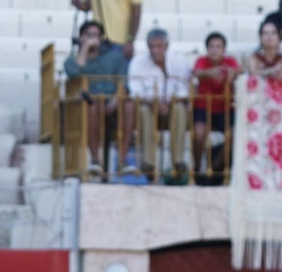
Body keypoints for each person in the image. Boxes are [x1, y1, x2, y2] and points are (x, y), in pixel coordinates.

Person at [64, 21, 133, 177]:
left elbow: (124, 81)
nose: (92, 39)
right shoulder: (72, 59)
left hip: (113, 102)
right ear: (80, 37)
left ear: (101, 38)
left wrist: (116, 100)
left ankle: (123, 160)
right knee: (92, 107)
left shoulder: (115, 57)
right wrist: (85, 49)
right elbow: (74, 72)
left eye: (95, 35)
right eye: (88, 35)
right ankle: (95, 160)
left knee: (129, 106)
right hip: (89, 104)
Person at [127, 28, 191, 180]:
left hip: (173, 106)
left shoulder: (179, 61)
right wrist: (153, 103)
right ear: (147, 46)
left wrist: (169, 103)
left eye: (159, 46)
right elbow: (135, 93)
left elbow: (186, 91)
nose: (156, 50)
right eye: (152, 46)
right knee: (143, 110)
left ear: (167, 46)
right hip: (148, 106)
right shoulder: (138, 63)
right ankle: (148, 163)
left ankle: (177, 161)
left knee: (180, 109)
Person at [190, 32, 239, 177]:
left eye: (218, 46)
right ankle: (197, 167)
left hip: (226, 109)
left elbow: (238, 71)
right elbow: (197, 72)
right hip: (203, 107)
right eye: (211, 46)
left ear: (224, 49)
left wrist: (232, 72)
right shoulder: (201, 60)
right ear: (207, 49)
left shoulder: (230, 61)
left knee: (236, 134)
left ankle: (214, 167)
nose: (214, 50)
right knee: (198, 134)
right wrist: (209, 73)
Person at [71, 0, 142, 58]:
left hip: (120, 42)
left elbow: (136, 12)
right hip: (98, 41)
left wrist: (130, 40)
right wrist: (79, 4)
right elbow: (90, 5)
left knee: (118, 73)